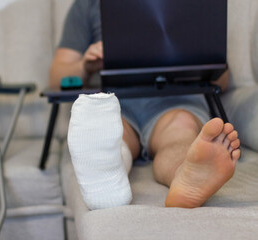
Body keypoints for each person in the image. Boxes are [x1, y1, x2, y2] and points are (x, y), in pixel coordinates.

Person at [49, 0, 241, 210]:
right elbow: (56, 78)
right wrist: (85, 65)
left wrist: (192, 57)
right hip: (115, 103)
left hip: (177, 99)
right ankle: (105, 180)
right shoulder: (87, 4)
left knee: (180, 131)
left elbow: (221, 81)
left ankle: (187, 174)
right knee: (111, 136)